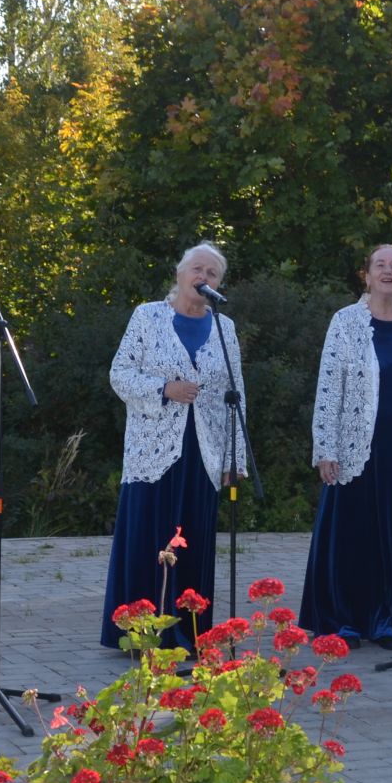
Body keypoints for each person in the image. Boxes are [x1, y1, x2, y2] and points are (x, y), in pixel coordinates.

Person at [299, 244, 392, 649]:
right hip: (356, 449)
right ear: (366, 276)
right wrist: (326, 448)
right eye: (379, 265)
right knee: (353, 538)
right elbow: (329, 388)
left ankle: (391, 622)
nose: (387, 271)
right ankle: (346, 621)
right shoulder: (346, 322)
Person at [100, 242, 248, 651]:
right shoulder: (148, 317)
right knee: (150, 537)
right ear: (180, 274)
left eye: (212, 273)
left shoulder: (224, 327)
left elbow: (236, 393)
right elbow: (120, 374)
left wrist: (234, 457)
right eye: (196, 269)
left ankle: (191, 632)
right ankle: (141, 634)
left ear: (219, 283)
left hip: (205, 451)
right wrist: (165, 388)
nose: (204, 277)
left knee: (195, 540)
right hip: (152, 450)